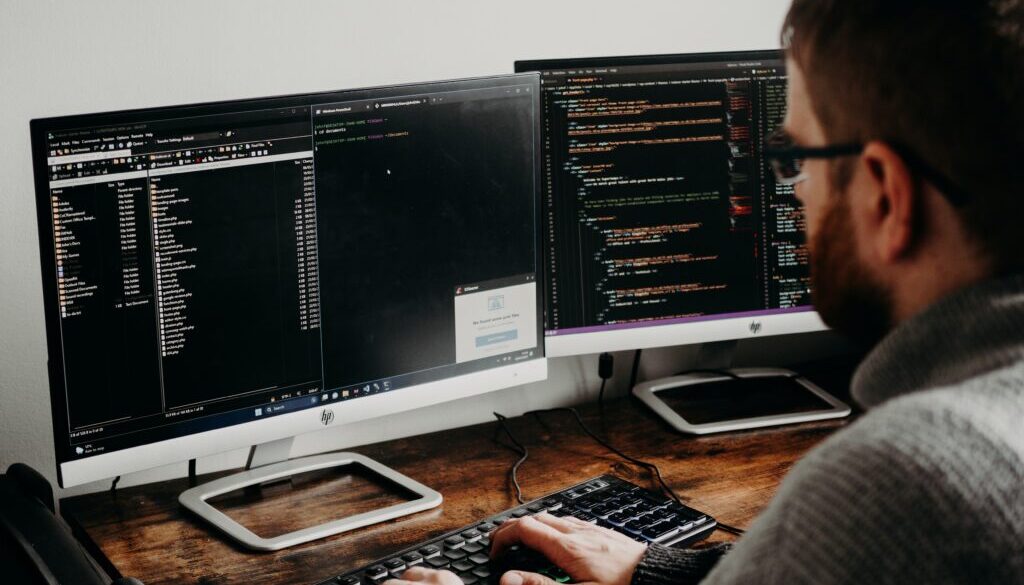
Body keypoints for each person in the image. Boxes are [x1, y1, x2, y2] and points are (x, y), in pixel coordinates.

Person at [386, 1, 1024, 583]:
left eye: (801, 158)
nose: (794, 190)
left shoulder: (903, 479)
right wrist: (654, 569)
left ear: (886, 193)